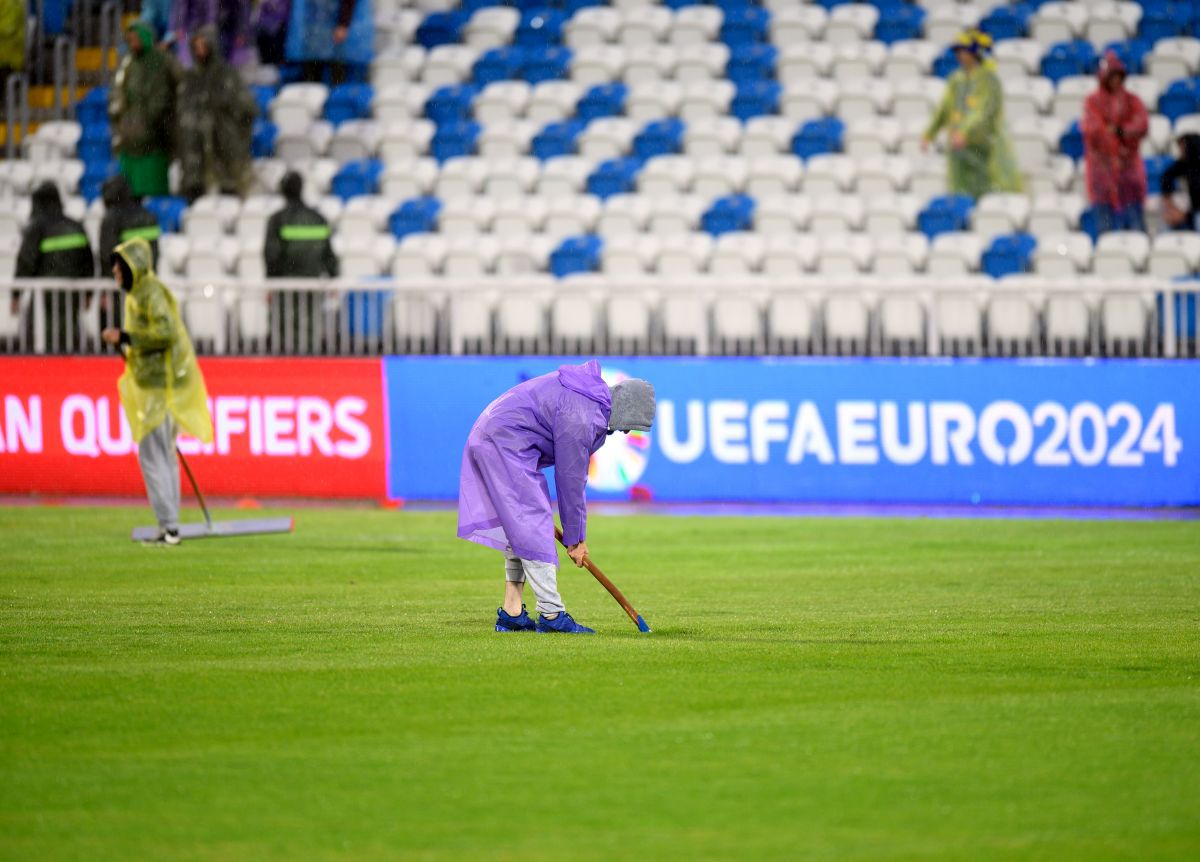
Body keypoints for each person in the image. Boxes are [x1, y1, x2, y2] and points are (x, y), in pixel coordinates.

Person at [458, 361, 656, 634]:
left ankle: (512, 612)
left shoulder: (588, 401)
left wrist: (576, 536)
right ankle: (552, 615)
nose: (626, 432)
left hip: (499, 437)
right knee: (533, 522)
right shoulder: (582, 415)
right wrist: (576, 539)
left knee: (523, 526)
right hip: (502, 442)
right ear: (625, 410)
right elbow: (570, 480)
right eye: (630, 425)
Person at [101, 237, 213, 546]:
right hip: (156, 384)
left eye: (118, 265)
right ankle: (171, 525)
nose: (114, 270)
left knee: (152, 455)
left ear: (131, 266)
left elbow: (165, 332)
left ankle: (169, 526)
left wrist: (125, 336)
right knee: (163, 454)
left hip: (159, 387)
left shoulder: (149, 292)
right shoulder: (140, 293)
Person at [921, 29, 1023, 199]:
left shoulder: (988, 80)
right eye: (958, 51)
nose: (960, 55)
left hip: (983, 147)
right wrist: (929, 133)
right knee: (958, 189)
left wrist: (964, 132)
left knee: (984, 188)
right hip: (957, 147)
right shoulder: (956, 79)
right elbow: (945, 108)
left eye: (964, 50)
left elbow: (983, 110)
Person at [177, 25, 257, 202]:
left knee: (228, 191)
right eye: (196, 46)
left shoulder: (226, 75)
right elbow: (181, 108)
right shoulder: (190, 77)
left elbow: (247, 108)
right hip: (195, 148)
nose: (199, 51)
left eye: (203, 45)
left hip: (223, 144)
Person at [14, 182, 96, 352]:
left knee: (39, 340)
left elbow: (25, 263)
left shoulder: (36, 227)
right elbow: (88, 262)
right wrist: (88, 294)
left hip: (45, 298)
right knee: (69, 338)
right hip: (71, 297)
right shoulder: (76, 226)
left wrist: (16, 295)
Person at [264, 171, 339, 351]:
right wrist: (333, 278)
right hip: (312, 284)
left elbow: (271, 255)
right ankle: (311, 369)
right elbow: (329, 255)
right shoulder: (318, 219)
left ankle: (287, 372)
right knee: (310, 328)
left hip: (285, 286)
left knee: (285, 331)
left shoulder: (277, 220)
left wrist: (270, 283)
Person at [1081, 51, 1149, 234]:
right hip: (1101, 176)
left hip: (1129, 175)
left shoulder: (1132, 100)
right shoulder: (1093, 102)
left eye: (1119, 76)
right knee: (1106, 232)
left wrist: (1119, 130)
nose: (1116, 81)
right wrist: (1116, 135)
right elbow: (1093, 130)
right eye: (1112, 76)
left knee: (1135, 228)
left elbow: (1141, 124)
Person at [110, 21, 177, 199]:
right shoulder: (128, 64)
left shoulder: (161, 61)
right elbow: (119, 94)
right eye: (129, 40)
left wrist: (151, 121)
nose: (132, 43)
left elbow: (163, 96)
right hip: (130, 133)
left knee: (154, 187)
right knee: (131, 191)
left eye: (135, 39)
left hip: (155, 136)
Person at [286, 0, 373, 86]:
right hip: (312, 33)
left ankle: (338, 96)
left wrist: (343, 24)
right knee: (312, 74)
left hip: (337, 34)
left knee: (337, 70)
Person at [99, 176, 161, 268]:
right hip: (147, 277)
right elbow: (154, 253)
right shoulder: (148, 215)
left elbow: (107, 256)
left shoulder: (112, 218)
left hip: (121, 279)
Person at [171, 0, 252, 67]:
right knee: (197, 62)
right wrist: (179, 26)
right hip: (195, 27)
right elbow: (182, 4)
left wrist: (242, 32)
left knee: (221, 63)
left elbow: (243, 7)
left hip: (224, 29)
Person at [1161, 133, 1200, 232]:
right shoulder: (1178, 167)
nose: (1180, 150)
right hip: (1181, 211)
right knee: (1165, 221)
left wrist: (1185, 214)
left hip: (1194, 213)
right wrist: (1172, 208)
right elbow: (1165, 183)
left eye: (1183, 146)